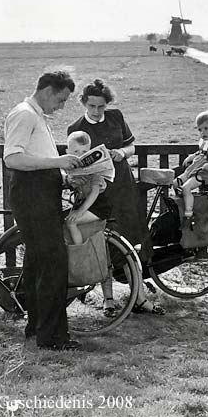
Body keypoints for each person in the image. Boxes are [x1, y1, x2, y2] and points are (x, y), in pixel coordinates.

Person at [67, 78, 165, 315]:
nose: (97, 111)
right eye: (92, 106)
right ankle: (108, 299)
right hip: (97, 193)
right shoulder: (76, 128)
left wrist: (121, 152)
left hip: (122, 188)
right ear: (84, 104)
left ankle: (138, 298)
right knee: (102, 243)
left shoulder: (116, 117)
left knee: (131, 241)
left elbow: (131, 146)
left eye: (101, 106)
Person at [3, 71, 83, 351]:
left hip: (41, 195)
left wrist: (61, 175)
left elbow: (37, 158)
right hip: (32, 196)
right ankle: (52, 338)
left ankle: (36, 329)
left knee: (38, 263)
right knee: (54, 265)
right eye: (60, 100)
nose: (61, 107)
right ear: (48, 91)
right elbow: (13, 158)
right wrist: (57, 161)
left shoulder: (36, 116)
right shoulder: (24, 114)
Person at [64, 131, 116, 317]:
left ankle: (80, 256)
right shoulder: (72, 169)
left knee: (72, 224)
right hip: (86, 205)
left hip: (97, 207)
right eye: (76, 151)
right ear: (67, 151)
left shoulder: (95, 169)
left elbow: (94, 193)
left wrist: (79, 212)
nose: (80, 155)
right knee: (66, 224)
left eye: (84, 151)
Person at [173, 110, 208, 227]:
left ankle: (188, 213)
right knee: (175, 183)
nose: (203, 132)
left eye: (206, 128)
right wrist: (191, 157)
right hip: (194, 169)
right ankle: (182, 205)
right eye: (200, 129)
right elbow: (200, 153)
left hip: (206, 173)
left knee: (186, 188)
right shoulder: (203, 142)